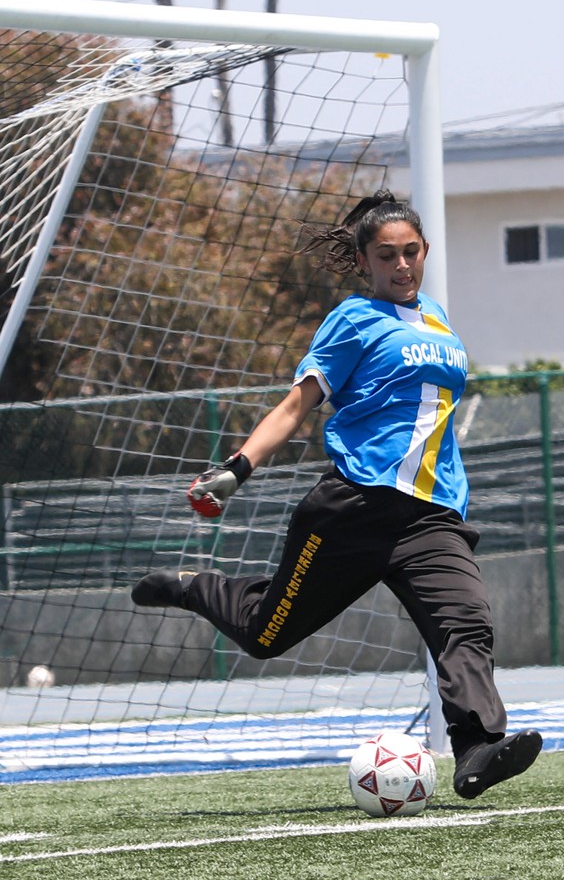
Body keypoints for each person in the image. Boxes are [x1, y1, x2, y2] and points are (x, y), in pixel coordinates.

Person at [131, 189, 542, 800]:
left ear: (425, 251)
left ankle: (476, 745)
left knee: (466, 624)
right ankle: (195, 587)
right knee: (267, 635)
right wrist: (237, 468)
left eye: (410, 252)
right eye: (386, 256)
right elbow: (298, 405)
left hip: (431, 518)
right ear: (364, 261)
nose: (401, 266)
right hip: (354, 508)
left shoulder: (437, 318)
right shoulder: (352, 320)